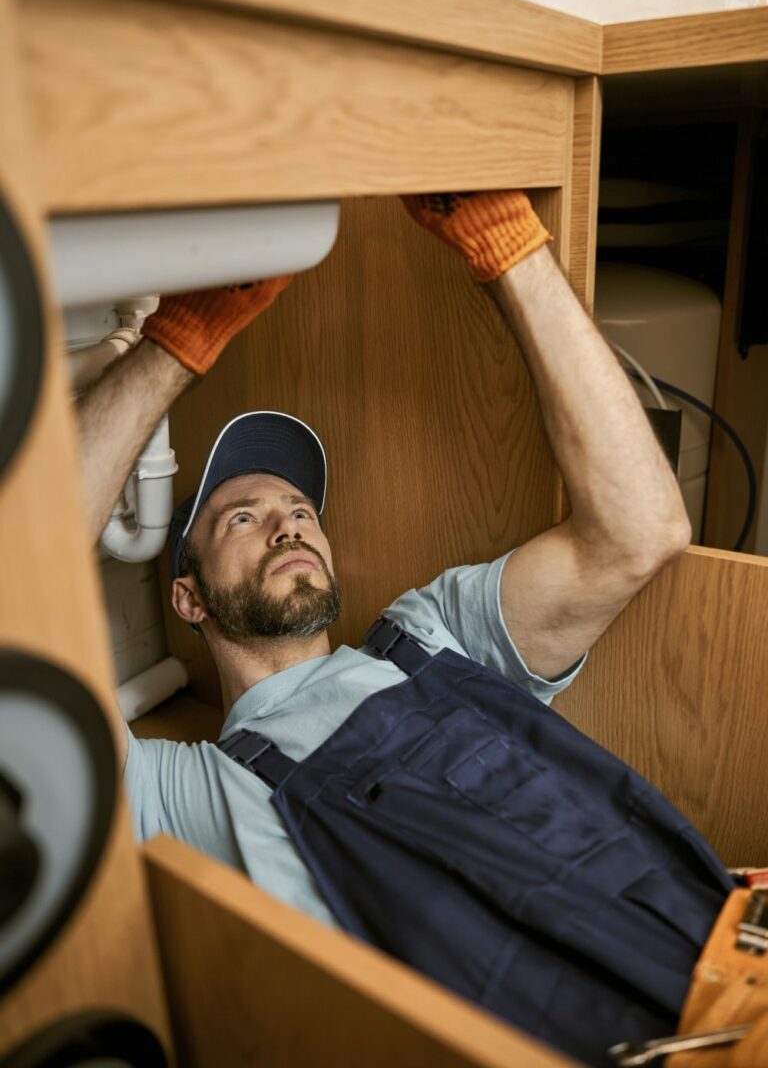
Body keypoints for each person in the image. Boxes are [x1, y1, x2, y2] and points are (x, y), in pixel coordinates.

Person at [77, 191, 736, 1066]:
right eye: (240, 518)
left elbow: (638, 534)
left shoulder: (429, 637)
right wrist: (176, 349)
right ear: (188, 600)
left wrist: (510, 247)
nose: (288, 524)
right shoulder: (179, 792)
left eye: (301, 509)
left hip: (722, 967)